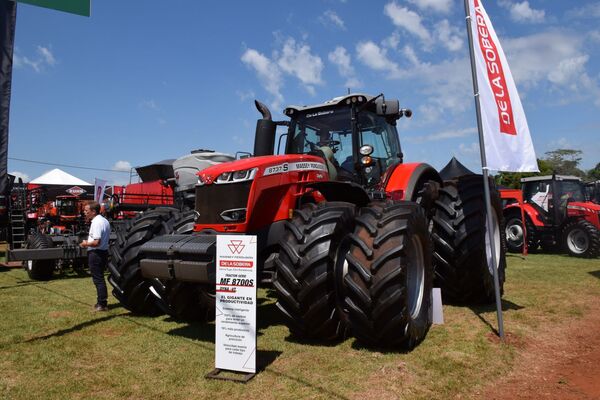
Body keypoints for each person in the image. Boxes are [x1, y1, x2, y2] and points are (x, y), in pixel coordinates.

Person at [80, 201, 111, 312]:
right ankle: (102, 302)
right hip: (103, 252)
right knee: (100, 278)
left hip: (96, 253)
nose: (85, 213)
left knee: (98, 279)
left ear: (93, 211)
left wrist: (85, 243)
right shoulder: (105, 221)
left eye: (86, 211)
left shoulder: (96, 222)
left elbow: (96, 242)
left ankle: (102, 304)